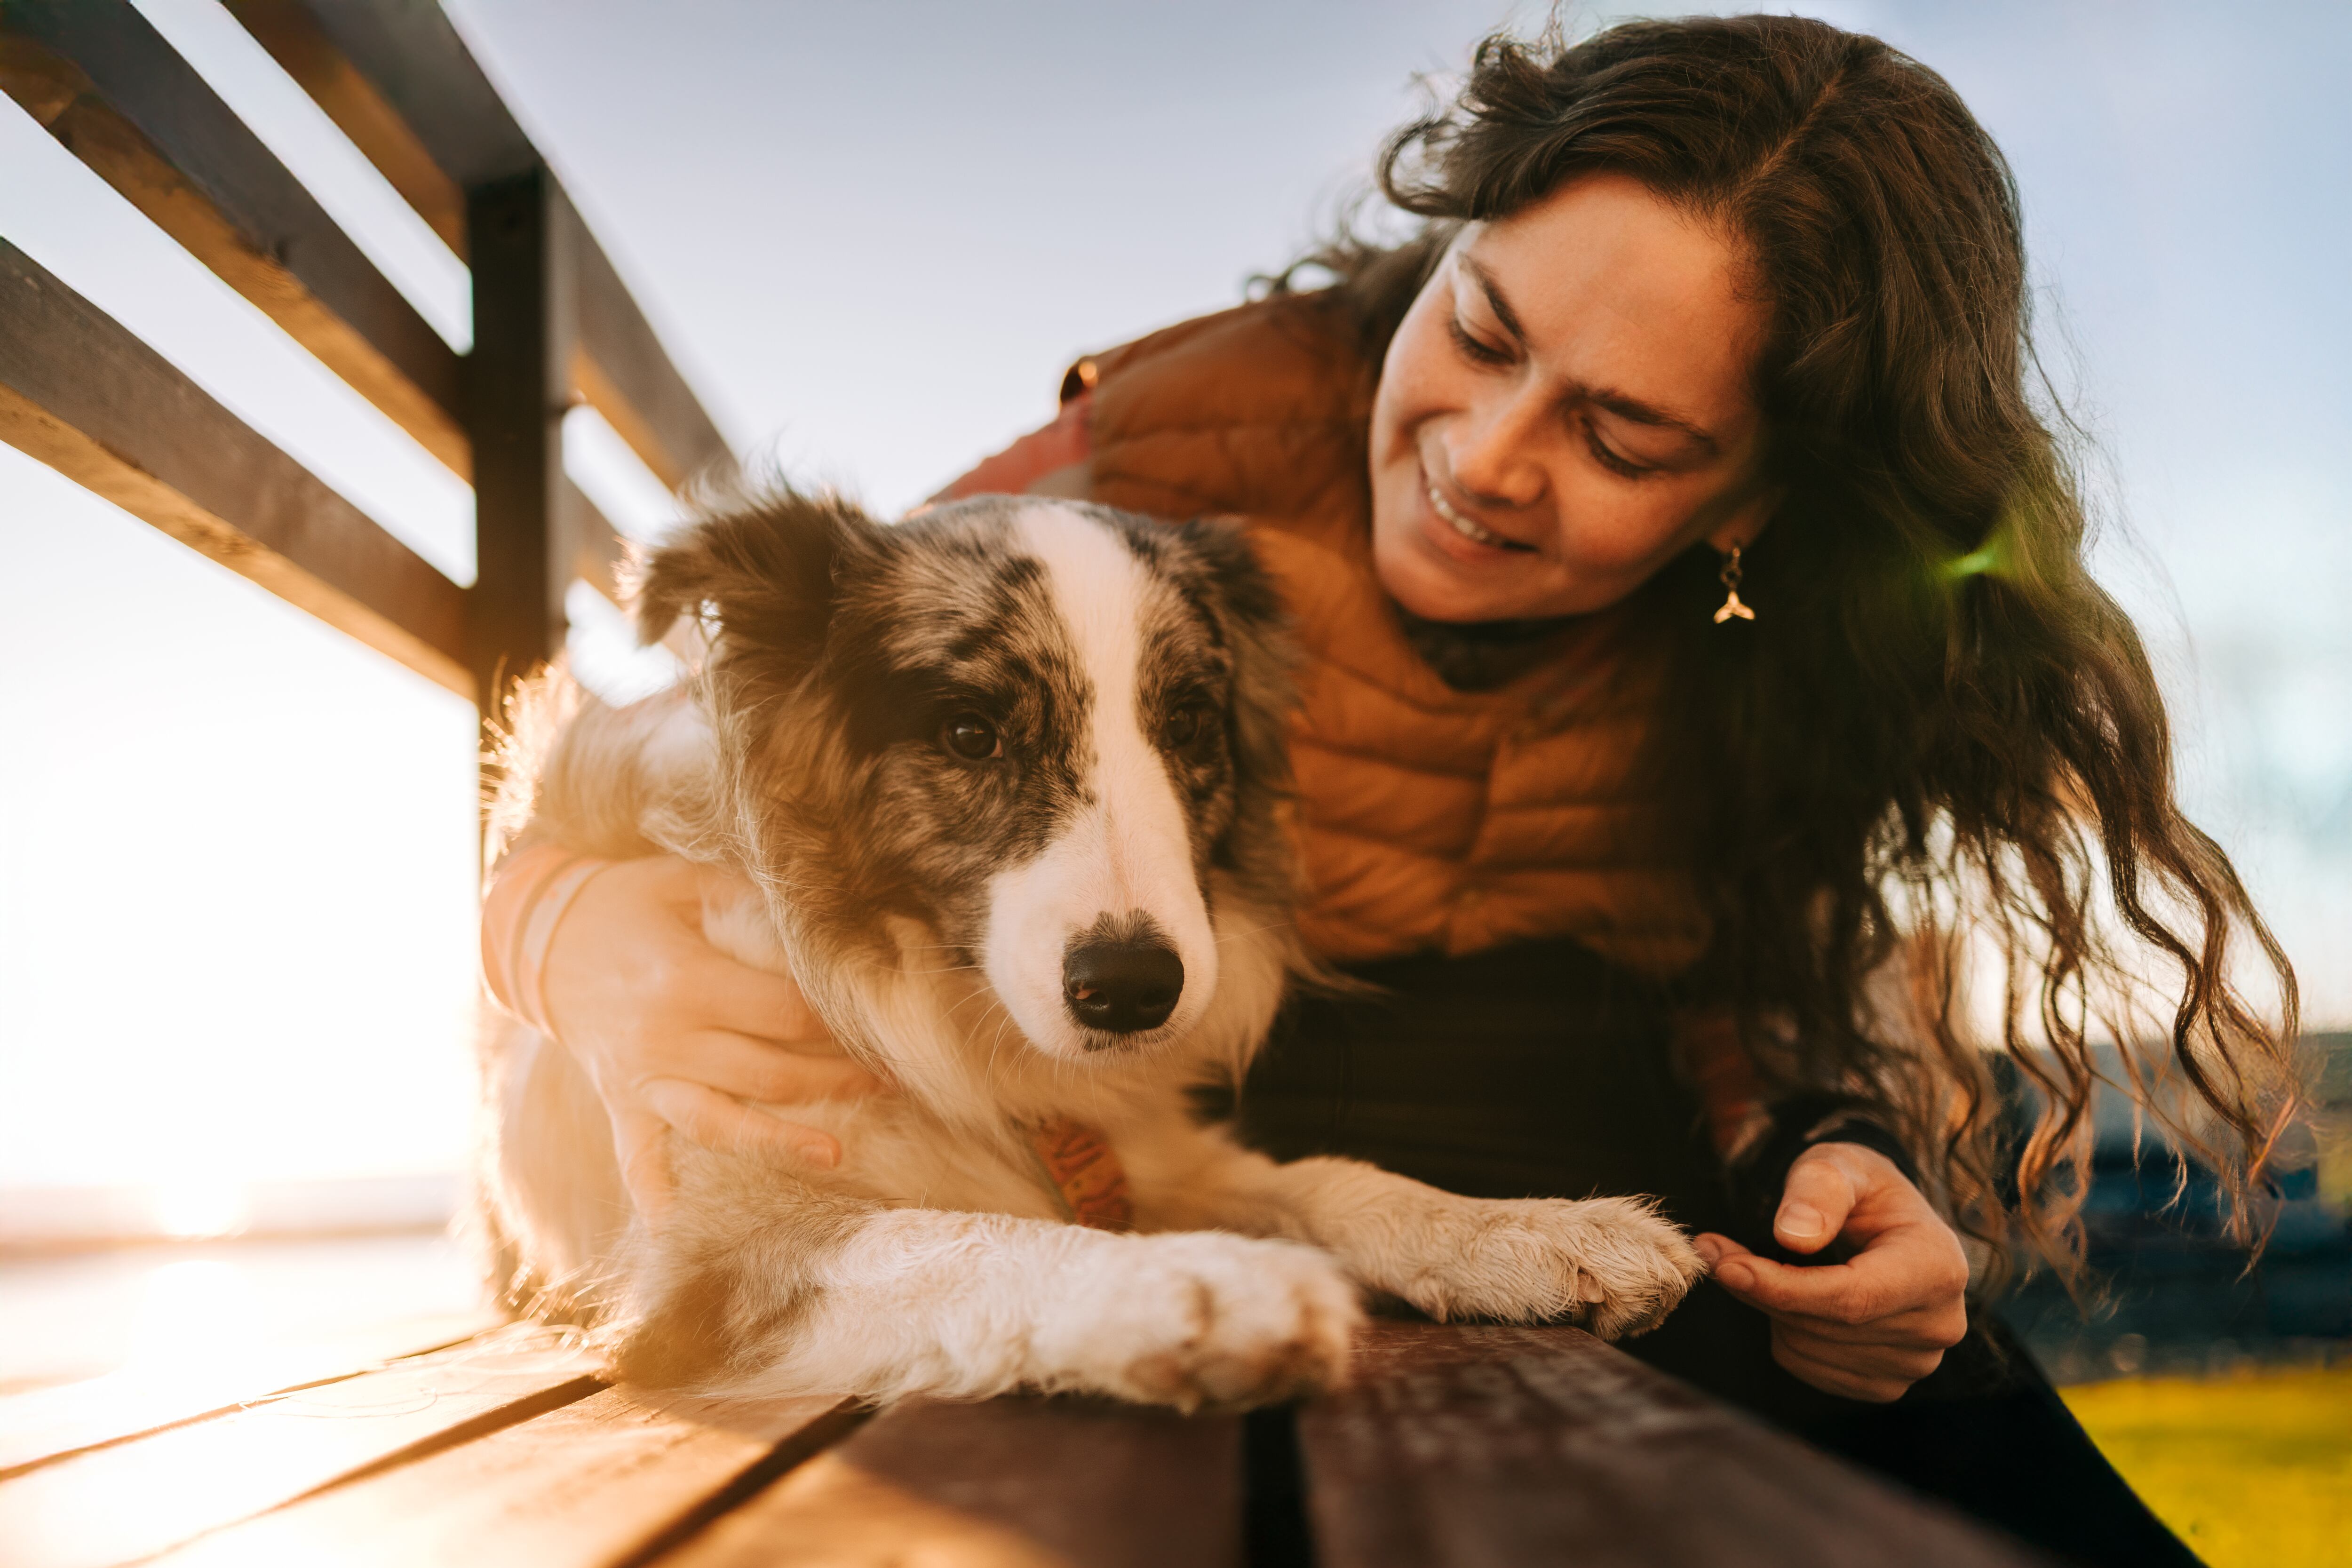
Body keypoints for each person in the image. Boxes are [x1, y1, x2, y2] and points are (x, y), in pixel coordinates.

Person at [482, 16, 2301, 1565]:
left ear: (1752, 500)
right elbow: (719, 738)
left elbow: (1767, 1005)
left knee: (1981, 1449)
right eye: (1484, 331)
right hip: (1244, 1117)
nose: (1487, 461)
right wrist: (562, 932)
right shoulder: (1148, 454)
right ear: (1446, 243)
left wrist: (1842, 1163)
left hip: (1608, 1172)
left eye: (1623, 434)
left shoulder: (1784, 649)